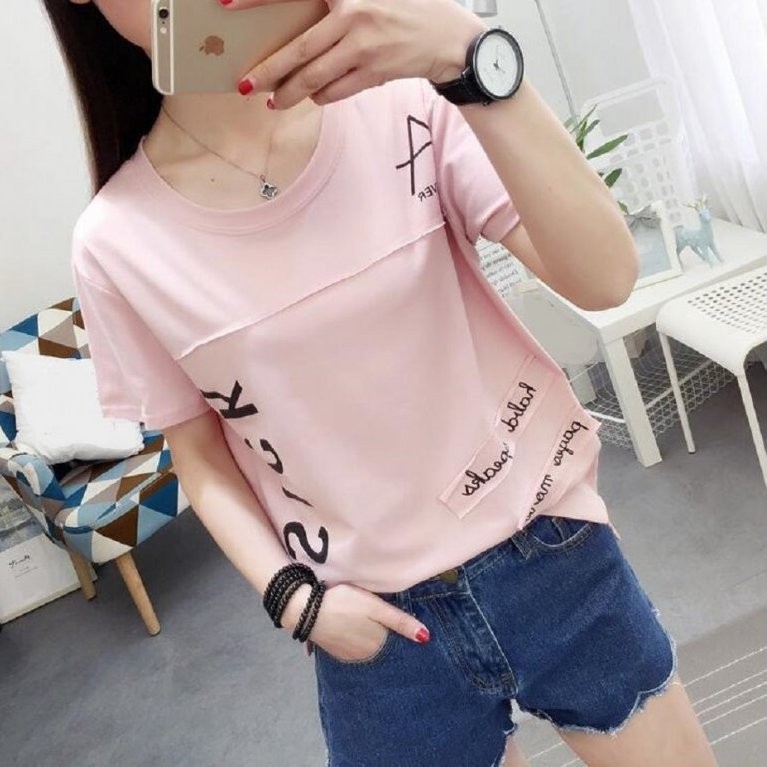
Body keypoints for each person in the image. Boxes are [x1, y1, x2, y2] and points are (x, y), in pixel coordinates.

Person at [47, 1, 718, 765]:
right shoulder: (118, 242)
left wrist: (470, 56)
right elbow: (198, 451)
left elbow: (604, 275)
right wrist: (294, 602)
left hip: (548, 550)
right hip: (375, 631)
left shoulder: (406, 102)